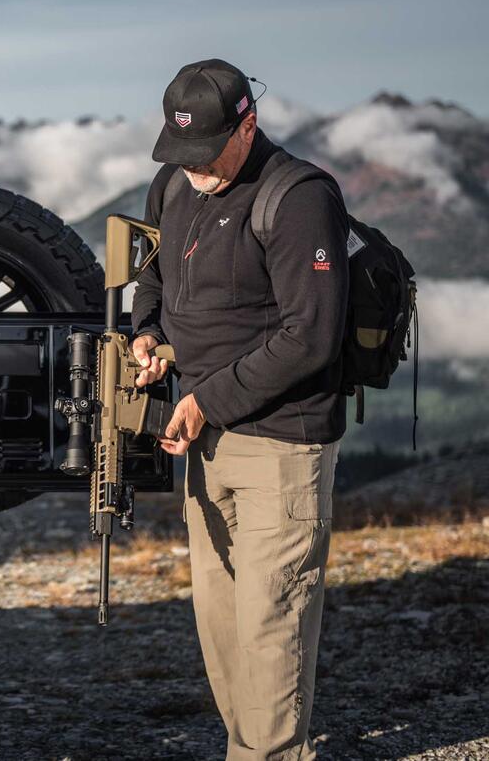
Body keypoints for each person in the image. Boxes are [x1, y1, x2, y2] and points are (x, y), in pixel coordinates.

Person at [131, 59, 349, 760]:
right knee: (222, 628)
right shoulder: (174, 182)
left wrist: (205, 398)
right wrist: (148, 336)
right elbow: (154, 274)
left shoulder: (299, 197)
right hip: (203, 442)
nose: (193, 170)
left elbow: (309, 337)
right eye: (180, 152)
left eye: (205, 154)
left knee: (271, 624)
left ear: (247, 124)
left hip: (281, 446)